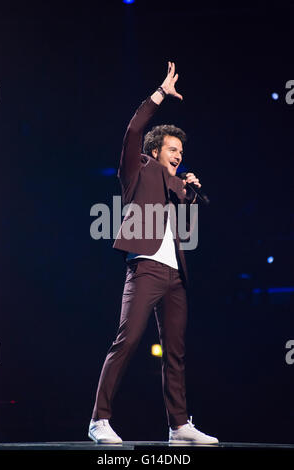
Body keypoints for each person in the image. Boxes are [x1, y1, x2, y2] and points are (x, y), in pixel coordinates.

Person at [88, 62, 218, 445]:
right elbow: (132, 130)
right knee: (127, 340)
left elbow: (195, 206)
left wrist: (190, 189)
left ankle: (179, 426)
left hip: (174, 274)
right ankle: (99, 419)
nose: (178, 155)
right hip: (144, 268)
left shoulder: (173, 183)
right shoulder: (137, 169)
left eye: (181, 151)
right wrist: (160, 93)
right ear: (155, 150)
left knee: (175, 352)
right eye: (172, 149)